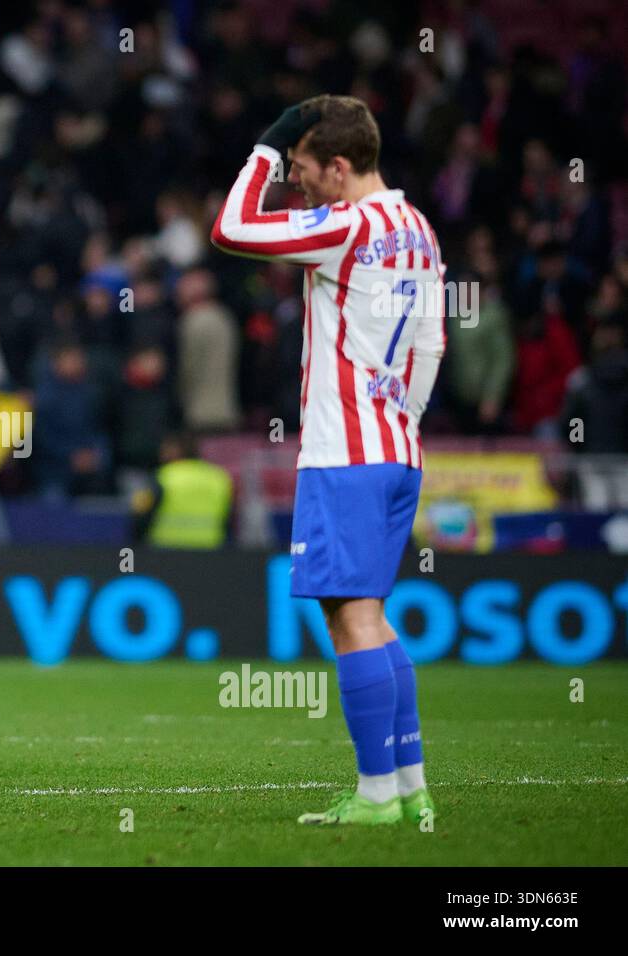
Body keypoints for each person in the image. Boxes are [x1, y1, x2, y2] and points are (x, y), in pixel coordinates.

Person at [212, 95, 445, 826]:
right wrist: (400, 420)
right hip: (397, 450)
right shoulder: (417, 228)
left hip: (345, 452)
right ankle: (409, 785)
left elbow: (231, 228)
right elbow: (433, 346)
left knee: (351, 619)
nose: (299, 185)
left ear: (339, 169)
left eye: (306, 172)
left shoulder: (347, 225)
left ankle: (377, 793)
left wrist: (268, 144)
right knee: (372, 617)